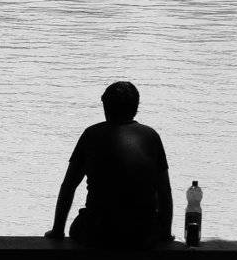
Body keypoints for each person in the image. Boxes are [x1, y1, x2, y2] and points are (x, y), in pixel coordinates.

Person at [44, 80, 174, 248]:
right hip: (143, 233)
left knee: (77, 227)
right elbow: (164, 191)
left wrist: (57, 230)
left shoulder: (91, 134)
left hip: (98, 231)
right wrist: (165, 233)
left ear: (105, 107)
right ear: (136, 108)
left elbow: (69, 186)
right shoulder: (151, 136)